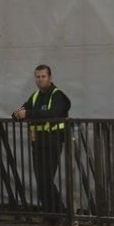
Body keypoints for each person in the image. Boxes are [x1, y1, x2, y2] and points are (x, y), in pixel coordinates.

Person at [12, 64, 71, 217]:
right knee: (41, 181)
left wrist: (29, 113)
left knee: (46, 179)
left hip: (52, 142)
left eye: (43, 76)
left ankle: (61, 213)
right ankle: (50, 214)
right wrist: (18, 114)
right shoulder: (35, 96)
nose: (40, 80)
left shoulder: (58, 95)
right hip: (37, 143)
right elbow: (22, 111)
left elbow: (54, 113)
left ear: (50, 78)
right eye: (37, 77)